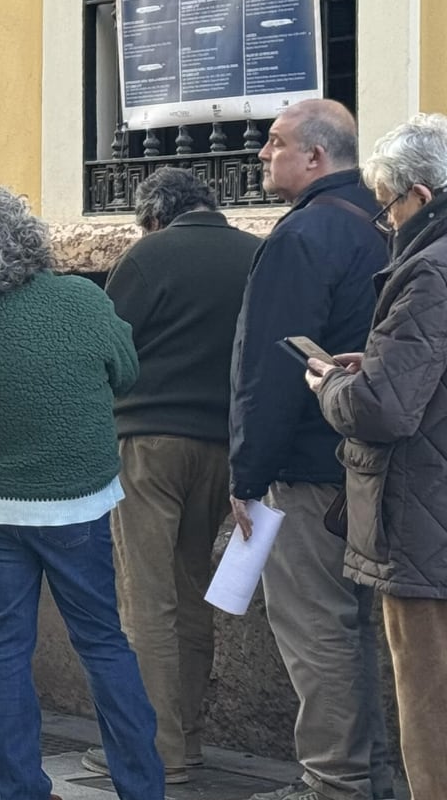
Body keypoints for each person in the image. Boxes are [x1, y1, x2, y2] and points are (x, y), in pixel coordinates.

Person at [0, 186, 161, 800]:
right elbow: (127, 371)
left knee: (5, 642)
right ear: (29, 240)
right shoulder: (79, 298)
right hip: (72, 498)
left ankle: (21, 787)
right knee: (103, 641)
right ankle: (141, 786)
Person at [228, 99, 395, 800]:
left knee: (317, 632)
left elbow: (272, 370)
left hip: (305, 468)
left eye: (275, 142)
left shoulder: (303, 237)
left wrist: (246, 473)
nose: (264, 153)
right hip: (373, 463)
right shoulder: (388, 228)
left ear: (316, 157)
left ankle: (334, 782)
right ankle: (372, 775)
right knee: (359, 632)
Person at [89, 167, 261, 785]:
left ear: (153, 216)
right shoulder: (256, 252)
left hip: (147, 442)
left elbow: (103, 348)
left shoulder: (146, 256)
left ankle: (154, 750)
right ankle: (186, 738)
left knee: (146, 596)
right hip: (225, 446)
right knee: (192, 590)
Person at [310, 113, 447, 800]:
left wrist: (334, 383)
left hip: (425, 526)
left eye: (387, 207)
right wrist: (383, 361)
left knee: (428, 703)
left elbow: (384, 411)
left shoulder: (429, 270)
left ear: (419, 196)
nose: (385, 223)